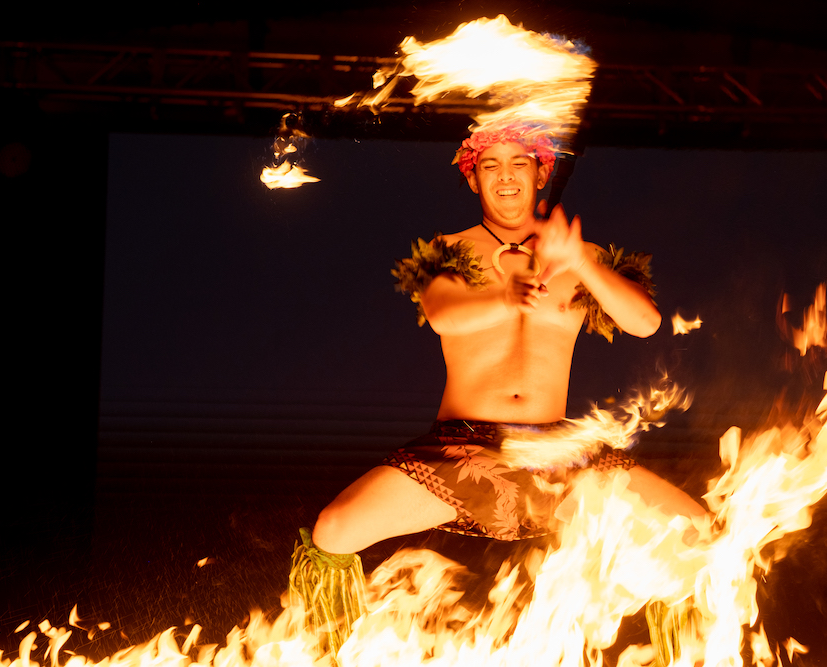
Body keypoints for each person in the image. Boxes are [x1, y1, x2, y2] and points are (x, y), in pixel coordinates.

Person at [289, 125, 705, 653]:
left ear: (540, 174)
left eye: (518, 164)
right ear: (473, 180)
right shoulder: (449, 252)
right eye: (491, 166)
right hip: (459, 454)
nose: (505, 176)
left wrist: (579, 263)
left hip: (554, 459)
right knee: (334, 529)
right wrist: (505, 297)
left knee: (695, 530)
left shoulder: (586, 258)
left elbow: (645, 322)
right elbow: (442, 315)